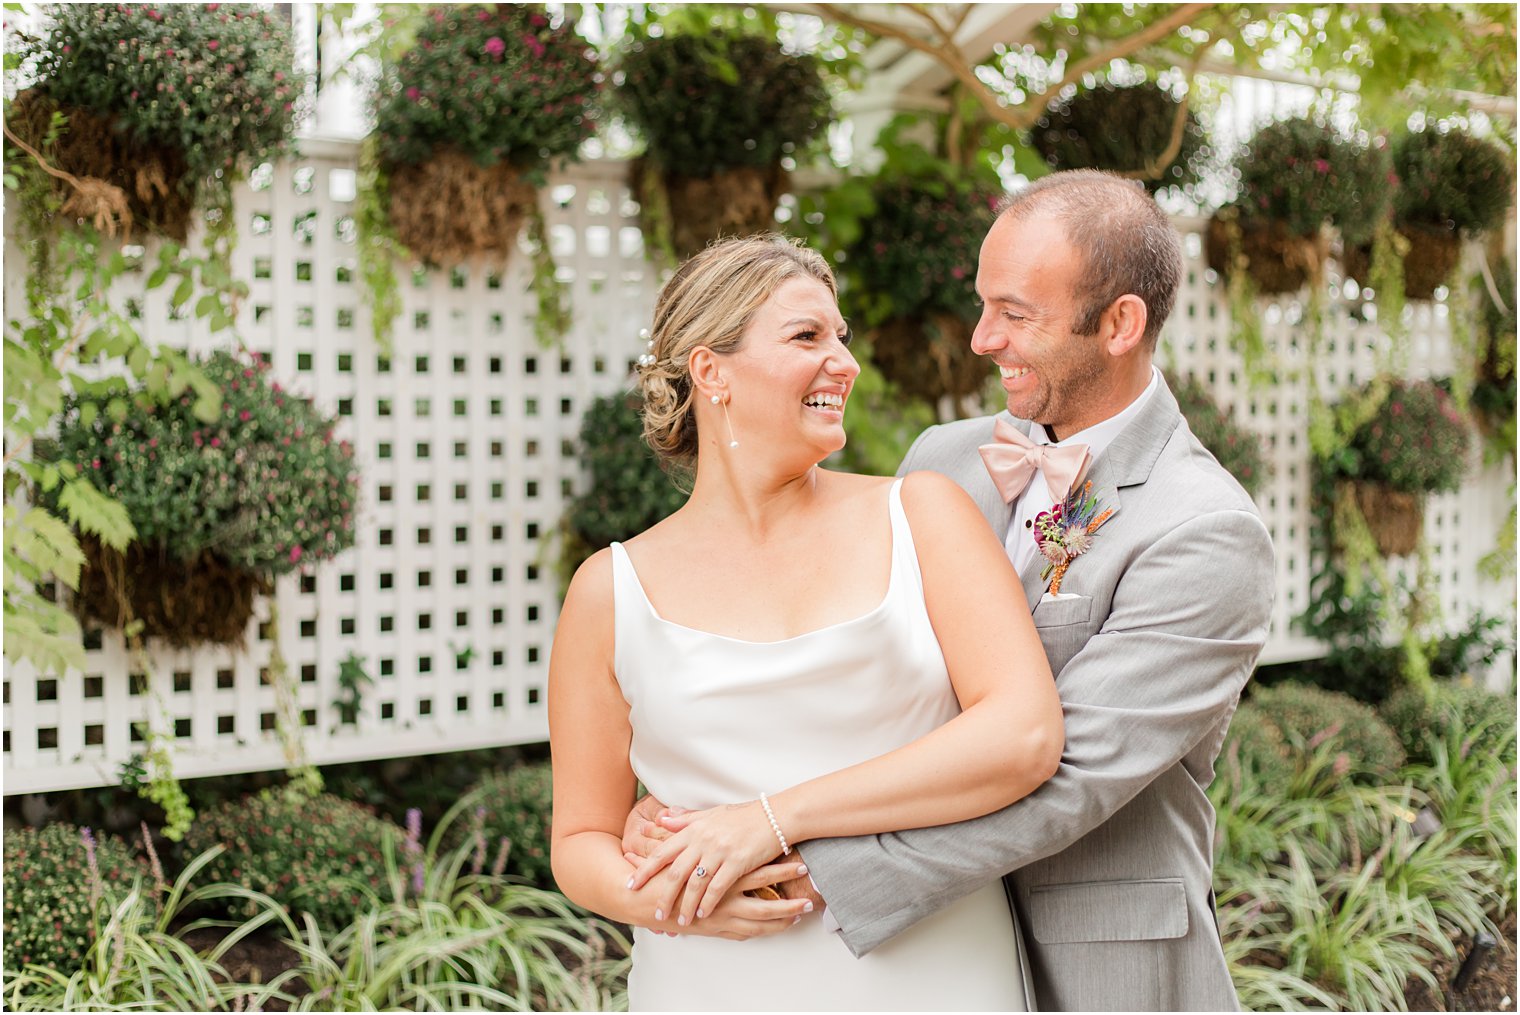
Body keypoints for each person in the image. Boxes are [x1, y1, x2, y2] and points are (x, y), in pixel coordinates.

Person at [627, 171, 1276, 1011]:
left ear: (1120, 324)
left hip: (1089, 960)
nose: (979, 339)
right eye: (982, 304)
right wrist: (687, 800)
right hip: (901, 958)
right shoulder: (943, 461)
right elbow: (863, 679)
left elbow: (1065, 772)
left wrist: (783, 851)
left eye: (1015, 313)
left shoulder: (1206, 530)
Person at [548, 234, 1064, 1011]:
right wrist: (674, 900)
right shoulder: (609, 590)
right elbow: (581, 838)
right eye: (806, 336)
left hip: (936, 974)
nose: (845, 362)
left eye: (842, 338)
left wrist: (767, 820)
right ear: (710, 370)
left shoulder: (922, 515)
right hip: (711, 983)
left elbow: (1023, 735)